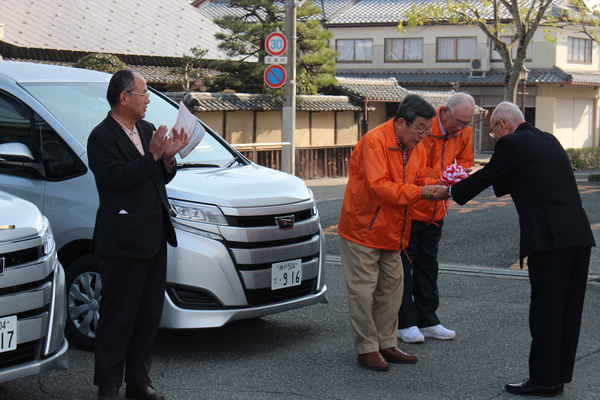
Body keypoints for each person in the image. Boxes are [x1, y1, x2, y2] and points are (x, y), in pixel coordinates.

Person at [432, 101, 595, 397]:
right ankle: (557, 376)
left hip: (550, 240)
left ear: (502, 125)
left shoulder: (512, 143)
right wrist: (470, 181)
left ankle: (543, 380)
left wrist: (450, 191)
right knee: (568, 309)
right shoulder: (546, 139)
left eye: (493, 133)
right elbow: (508, 178)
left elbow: (489, 175)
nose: (495, 138)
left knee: (546, 310)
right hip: (578, 235)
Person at [88, 69, 188, 400]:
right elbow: (117, 178)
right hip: (121, 238)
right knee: (118, 316)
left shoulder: (147, 130)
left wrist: (168, 158)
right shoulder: (101, 136)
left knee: (148, 314)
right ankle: (108, 385)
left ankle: (139, 381)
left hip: (153, 234)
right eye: (144, 94)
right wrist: (153, 156)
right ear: (124, 97)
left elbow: (158, 177)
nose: (148, 100)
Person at [337, 94, 446, 371]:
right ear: (400, 122)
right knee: (363, 292)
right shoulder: (374, 141)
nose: (423, 135)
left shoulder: (415, 145)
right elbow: (380, 187)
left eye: (427, 129)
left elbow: (418, 178)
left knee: (392, 290)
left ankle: (386, 342)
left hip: (394, 230)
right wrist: (423, 192)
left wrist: (439, 183)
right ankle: (367, 348)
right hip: (363, 228)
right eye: (420, 128)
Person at [397, 93, 475, 344]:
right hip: (412, 207)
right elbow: (413, 170)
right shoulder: (423, 127)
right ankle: (405, 323)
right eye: (458, 122)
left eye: (466, 123)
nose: (460, 128)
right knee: (405, 268)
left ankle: (428, 320)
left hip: (437, 208)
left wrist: (458, 175)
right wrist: (441, 177)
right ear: (446, 111)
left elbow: (465, 162)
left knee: (428, 267)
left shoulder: (464, 131)